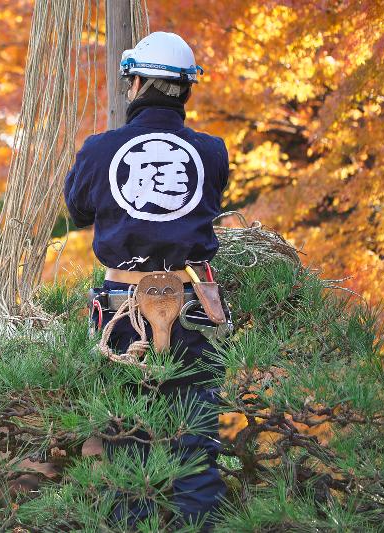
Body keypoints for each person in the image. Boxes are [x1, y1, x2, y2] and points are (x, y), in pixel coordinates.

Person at [63, 31, 229, 530]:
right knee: (196, 447)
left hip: (122, 309)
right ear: (186, 90)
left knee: (126, 446)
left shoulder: (100, 150)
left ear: (134, 83)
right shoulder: (211, 151)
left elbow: (77, 211)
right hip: (195, 305)